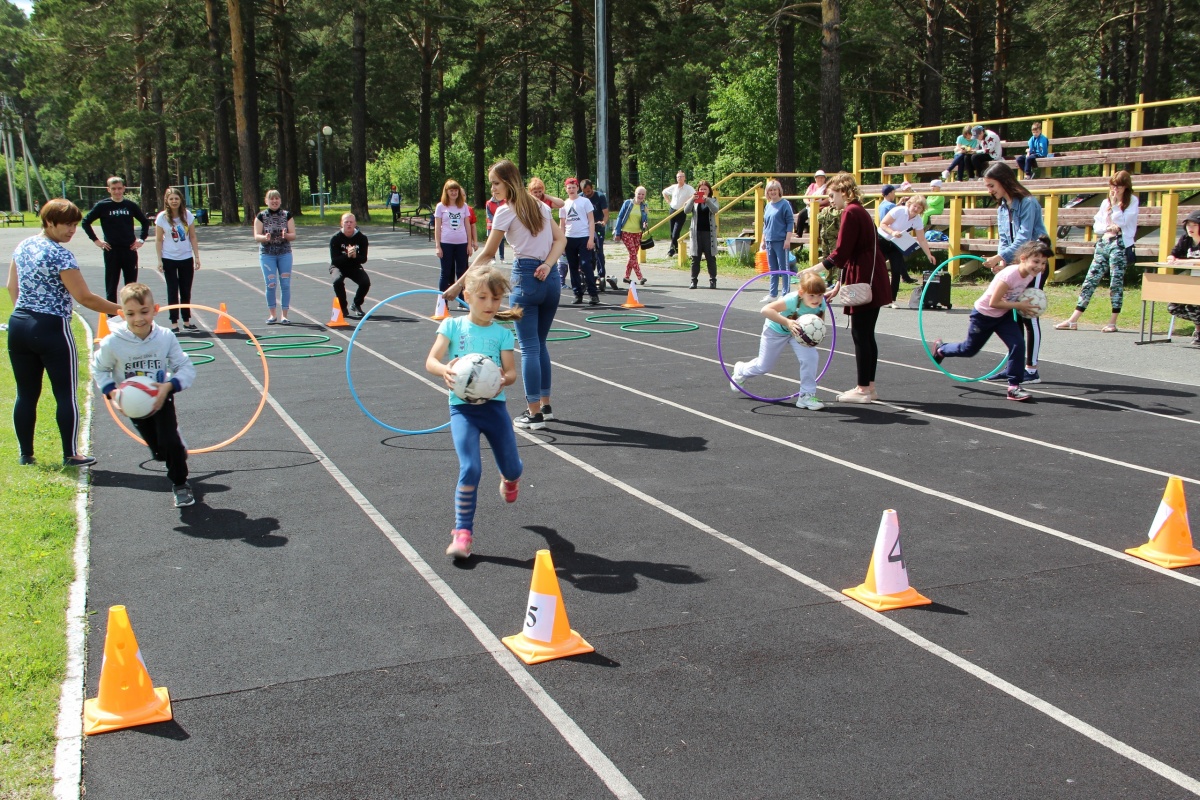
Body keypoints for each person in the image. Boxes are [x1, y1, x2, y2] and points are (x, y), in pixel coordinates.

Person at [446, 159, 566, 431]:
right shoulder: (542, 206)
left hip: (527, 277)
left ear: (509, 182)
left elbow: (487, 254)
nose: (493, 189)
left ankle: (534, 412)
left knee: (530, 348)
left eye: (496, 183)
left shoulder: (505, 211)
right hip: (551, 280)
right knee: (541, 345)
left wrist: (458, 285)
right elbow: (561, 240)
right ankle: (545, 407)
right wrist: (548, 264)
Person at [7, 199, 122, 467]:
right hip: (51, 327)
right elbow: (84, 297)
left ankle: (26, 455)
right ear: (49, 222)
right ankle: (71, 454)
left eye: (74, 225)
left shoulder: (23, 246)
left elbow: (12, 286)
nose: (72, 230)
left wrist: (25, 313)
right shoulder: (60, 254)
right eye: (67, 225)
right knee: (65, 393)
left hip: (19, 324)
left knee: (26, 393)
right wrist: (126, 311)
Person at [426, 265, 523, 560]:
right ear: (467, 296)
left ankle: (510, 479)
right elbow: (431, 360)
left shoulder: (502, 332)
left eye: (496, 299)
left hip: (494, 407)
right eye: (482, 298)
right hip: (462, 409)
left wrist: (499, 379)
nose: (490, 305)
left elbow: (511, 373)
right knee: (470, 468)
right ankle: (462, 533)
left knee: (513, 467)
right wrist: (445, 370)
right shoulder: (453, 327)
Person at [93, 283, 197, 506]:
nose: (138, 318)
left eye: (144, 312)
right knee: (159, 451)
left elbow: (185, 366)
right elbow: (99, 368)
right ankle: (169, 452)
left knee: (171, 443)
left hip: (161, 397)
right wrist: (112, 393)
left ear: (155, 310)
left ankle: (180, 484)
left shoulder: (165, 336)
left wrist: (168, 386)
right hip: (133, 404)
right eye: (130, 314)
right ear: (122, 314)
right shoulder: (112, 342)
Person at [932, 238, 1051, 402]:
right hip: (984, 315)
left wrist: (1024, 305)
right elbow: (993, 302)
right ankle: (942, 349)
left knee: (1018, 344)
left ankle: (1014, 387)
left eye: (1043, 263)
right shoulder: (1010, 275)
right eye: (1036, 261)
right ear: (1023, 258)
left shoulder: (1029, 274)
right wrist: (1019, 305)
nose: (1040, 266)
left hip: (1004, 315)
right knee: (969, 349)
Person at [821, 172, 891, 404]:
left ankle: (863, 389)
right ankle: (868, 386)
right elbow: (850, 252)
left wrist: (817, 269)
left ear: (843, 191)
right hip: (869, 275)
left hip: (865, 277)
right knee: (866, 334)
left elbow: (841, 252)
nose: (830, 200)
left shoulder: (851, 212)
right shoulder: (859, 210)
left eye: (832, 195)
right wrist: (839, 284)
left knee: (861, 333)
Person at [982, 162, 1049, 382]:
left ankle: (1032, 368)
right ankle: (1015, 365)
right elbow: (1004, 239)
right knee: (1013, 315)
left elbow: (1024, 238)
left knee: (1029, 314)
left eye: (992, 185)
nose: (989, 190)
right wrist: (1002, 264)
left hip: (1033, 265)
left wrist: (1001, 258)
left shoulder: (1028, 203)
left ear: (1003, 181)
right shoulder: (1002, 208)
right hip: (1015, 265)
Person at [729, 270, 829, 410]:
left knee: (810, 358)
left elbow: (819, 322)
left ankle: (806, 395)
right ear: (801, 293)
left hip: (799, 335)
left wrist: (816, 335)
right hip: (775, 331)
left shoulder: (821, 303)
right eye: (811, 295)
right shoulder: (792, 300)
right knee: (764, 366)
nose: (816, 299)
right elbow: (765, 310)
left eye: (819, 295)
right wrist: (787, 322)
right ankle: (741, 371)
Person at [1055, 171, 1139, 334]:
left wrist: (1115, 206)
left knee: (1116, 281)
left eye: (1119, 186)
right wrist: (1108, 226)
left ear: (1125, 187)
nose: (1115, 189)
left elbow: (1123, 222)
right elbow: (1097, 226)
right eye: (1113, 185)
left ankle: (1113, 321)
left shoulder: (1132, 201)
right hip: (1104, 241)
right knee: (1090, 279)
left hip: (1120, 243)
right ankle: (1073, 319)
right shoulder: (1104, 202)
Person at [82, 176, 151, 307]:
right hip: (111, 250)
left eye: (119, 188)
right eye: (114, 189)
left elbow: (145, 221)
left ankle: (131, 310)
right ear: (109, 190)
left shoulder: (130, 205)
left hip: (129, 249)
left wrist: (141, 240)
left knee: (131, 286)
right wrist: (97, 241)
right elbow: (85, 222)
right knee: (111, 284)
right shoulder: (103, 206)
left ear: (124, 188)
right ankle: (112, 316)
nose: (117, 191)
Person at [154, 187, 202, 333]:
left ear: (181, 200)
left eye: (176, 198)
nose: (174, 201)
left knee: (186, 289)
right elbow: (158, 240)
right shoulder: (162, 217)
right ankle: (174, 322)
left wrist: (197, 256)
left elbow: (192, 236)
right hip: (169, 258)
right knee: (172, 289)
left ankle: (186, 321)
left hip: (186, 257)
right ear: (167, 201)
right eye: (171, 199)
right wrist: (159, 260)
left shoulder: (187, 215)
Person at [879, 194, 935, 301]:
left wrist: (929, 254)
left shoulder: (918, 220)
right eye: (915, 206)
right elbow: (883, 224)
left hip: (897, 244)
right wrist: (893, 232)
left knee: (896, 271)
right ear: (909, 204)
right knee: (878, 269)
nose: (916, 209)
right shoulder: (898, 211)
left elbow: (922, 239)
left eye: (919, 208)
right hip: (882, 240)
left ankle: (892, 299)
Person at [253, 189, 296, 325]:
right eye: (271, 199)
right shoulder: (261, 216)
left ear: (280, 200)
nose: (274, 201)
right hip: (267, 254)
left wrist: (286, 236)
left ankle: (285, 315)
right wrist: (264, 237)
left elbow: (293, 235)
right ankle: (272, 315)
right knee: (271, 284)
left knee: (285, 284)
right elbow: (256, 236)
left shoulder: (287, 215)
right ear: (266, 201)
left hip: (284, 253)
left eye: (277, 198)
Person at [559, 178, 598, 305]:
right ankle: (577, 294)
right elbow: (562, 225)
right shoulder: (563, 204)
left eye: (573, 187)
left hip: (584, 237)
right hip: (570, 238)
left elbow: (591, 220)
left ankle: (593, 294)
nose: (571, 189)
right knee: (573, 266)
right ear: (566, 189)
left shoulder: (585, 202)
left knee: (586, 265)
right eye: (569, 187)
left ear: (577, 188)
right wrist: (562, 242)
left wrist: (591, 238)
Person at [1165, 209, 1200, 346]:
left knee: (1194, 305)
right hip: (1190, 281)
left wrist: (1184, 261)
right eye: (1188, 225)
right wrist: (1172, 258)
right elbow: (1173, 254)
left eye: (1194, 225)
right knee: (1173, 307)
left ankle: (1198, 332)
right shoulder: (1185, 239)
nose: (1190, 228)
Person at [434, 180, 475, 293]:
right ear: (446, 192)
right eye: (451, 190)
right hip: (446, 243)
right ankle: (443, 302)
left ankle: (462, 299)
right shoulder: (441, 207)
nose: (454, 193)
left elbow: (468, 225)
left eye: (456, 190)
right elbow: (437, 227)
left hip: (461, 243)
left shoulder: (464, 206)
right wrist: (438, 246)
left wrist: (469, 244)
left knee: (462, 272)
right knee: (446, 272)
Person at [330, 212, 371, 319]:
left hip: (354, 265)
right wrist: (347, 255)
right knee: (337, 281)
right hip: (338, 266)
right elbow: (334, 260)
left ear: (355, 223)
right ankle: (343, 307)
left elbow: (363, 259)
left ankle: (356, 304)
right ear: (341, 224)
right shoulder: (335, 238)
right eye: (346, 222)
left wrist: (354, 256)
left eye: (351, 222)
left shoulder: (362, 238)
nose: (348, 224)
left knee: (365, 282)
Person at [759, 179, 793, 298]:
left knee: (784, 268)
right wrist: (763, 240)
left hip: (781, 240)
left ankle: (785, 293)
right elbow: (765, 224)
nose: (772, 192)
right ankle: (773, 294)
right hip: (769, 240)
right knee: (772, 269)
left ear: (779, 191)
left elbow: (790, 222)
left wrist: (787, 239)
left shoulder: (785, 204)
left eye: (774, 189)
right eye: (770, 190)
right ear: (767, 192)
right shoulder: (768, 206)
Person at [686, 180, 720, 290]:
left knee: (711, 257)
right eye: (701, 189)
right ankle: (693, 280)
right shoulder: (695, 201)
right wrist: (692, 199)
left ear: (709, 190)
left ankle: (713, 280)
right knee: (695, 257)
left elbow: (715, 210)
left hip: (708, 233)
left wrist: (707, 201)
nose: (703, 191)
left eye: (705, 189)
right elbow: (686, 211)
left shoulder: (713, 200)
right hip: (696, 233)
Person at [581, 179, 615, 290]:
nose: (587, 194)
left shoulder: (600, 196)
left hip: (598, 225)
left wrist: (604, 222)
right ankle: (586, 273)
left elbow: (605, 213)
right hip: (585, 228)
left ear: (592, 188)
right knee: (586, 251)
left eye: (589, 191)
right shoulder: (580, 197)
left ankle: (601, 274)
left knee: (599, 251)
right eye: (585, 192)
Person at [614, 186, 649, 284]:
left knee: (632, 255)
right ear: (635, 193)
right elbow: (620, 217)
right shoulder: (628, 203)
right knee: (633, 254)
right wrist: (617, 232)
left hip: (637, 233)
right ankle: (640, 277)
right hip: (626, 232)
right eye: (639, 193)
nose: (641, 196)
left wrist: (645, 224)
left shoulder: (644, 206)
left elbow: (645, 219)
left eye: (643, 194)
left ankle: (626, 277)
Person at [662, 171, 695, 257]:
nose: (679, 178)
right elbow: (664, 192)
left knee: (676, 232)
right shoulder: (674, 187)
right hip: (673, 210)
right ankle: (676, 249)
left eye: (681, 177)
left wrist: (687, 202)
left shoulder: (688, 188)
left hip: (681, 211)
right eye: (678, 177)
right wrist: (668, 202)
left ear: (684, 178)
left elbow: (694, 195)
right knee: (672, 232)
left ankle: (671, 251)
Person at [794, 169, 828, 238]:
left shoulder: (827, 187)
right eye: (818, 177)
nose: (820, 179)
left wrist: (819, 203)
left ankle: (818, 235)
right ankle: (799, 233)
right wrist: (808, 203)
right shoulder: (812, 186)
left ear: (824, 178)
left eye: (822, 177)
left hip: (821, 207)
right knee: (801, 214)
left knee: (820, 216)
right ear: (815, 178)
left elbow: (828, 199)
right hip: (810, 206)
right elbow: (805, 197)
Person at [485, 186, 506, 264]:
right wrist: (495, 220)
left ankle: (502, 258)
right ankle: (492, 258)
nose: (495, 194)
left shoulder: (504, 201)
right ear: (492, 193)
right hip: (492, 225)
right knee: (492, 242)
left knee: (501, 241)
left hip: (502, 224)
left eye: (497, 193)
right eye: (494, 192)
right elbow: (488, 214)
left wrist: (501, 220)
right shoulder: (489, 203)